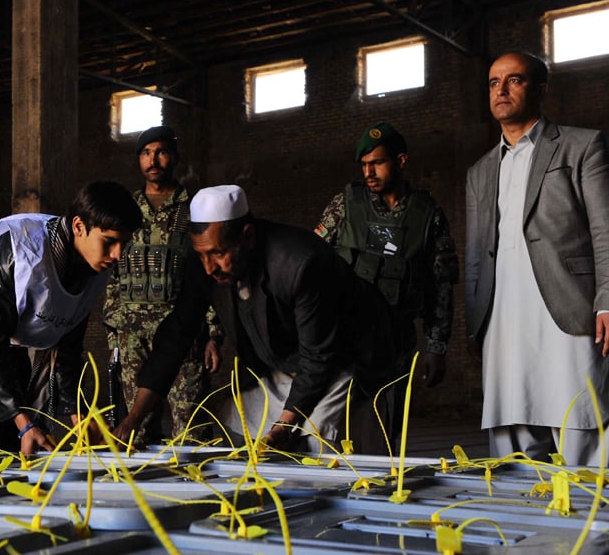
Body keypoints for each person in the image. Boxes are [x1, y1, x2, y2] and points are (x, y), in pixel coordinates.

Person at [111, 185, 398, 452]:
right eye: (202, 255)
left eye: (219, 253)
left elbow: (319, 356)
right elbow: (176, 337)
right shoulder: (203, 266)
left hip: (345, 362)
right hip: (288, 364)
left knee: (317, 438)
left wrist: (283, 427)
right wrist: (133, 419)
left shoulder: (300, 263)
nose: (210, 266)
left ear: (247, 236)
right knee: (232, 423)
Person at [0, 180, 143, 455]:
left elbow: (67, 347)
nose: (117, 254)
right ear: (79, 226)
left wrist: (79, 416)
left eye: (123, 244)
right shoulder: (21, 251)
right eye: (109, 242)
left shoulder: (96, 266)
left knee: (15, 448)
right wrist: (22, 422)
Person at [465, 51, 609, 466]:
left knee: (581, 424)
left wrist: (607, 299)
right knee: (512, 436)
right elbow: (477, 254)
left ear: (540, 89)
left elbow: (604, 229)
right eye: (494, 82)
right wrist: (475, 319)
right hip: (502, 318)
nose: (501, 90)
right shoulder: (479, 170)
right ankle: (520, 526)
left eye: (514, 80)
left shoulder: (582, 145)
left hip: (570, 308)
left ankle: (592, 528)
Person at [315, 122, 458, 438]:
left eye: (377, 163)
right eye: (364, 165)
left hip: (396, 342)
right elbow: (311, 266)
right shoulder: (345, 205)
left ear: (401, 161)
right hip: (343, 338)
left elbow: (440, 287)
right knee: (332, 428)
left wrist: (437, 347)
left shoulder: (427, 214)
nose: (368, 172)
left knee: (387, 429)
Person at [104, 125, 222, 443]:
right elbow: (112, 274)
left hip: (182, 328)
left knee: (192, 428)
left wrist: (213, 334)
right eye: (145, 153)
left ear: (174, 157)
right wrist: (113, 334)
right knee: (136, 430)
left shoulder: (195, 208)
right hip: (132, 334)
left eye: (161, 151)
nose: (153, 159)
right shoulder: (125, 210)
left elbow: (207, 273)